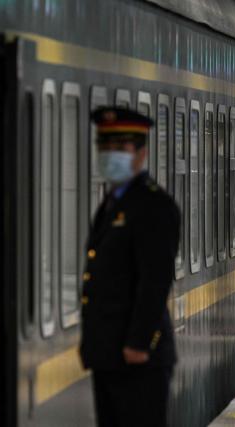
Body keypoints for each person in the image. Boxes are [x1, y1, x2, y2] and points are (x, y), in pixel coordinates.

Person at [80, 107, 181, 427]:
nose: (110, 156)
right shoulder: (112, 205)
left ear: (141, 153)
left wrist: (138, 343)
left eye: (120, 149)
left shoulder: (154, 205)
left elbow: (155, 281)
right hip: (108, 352)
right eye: (104, 147)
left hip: (139, 357)